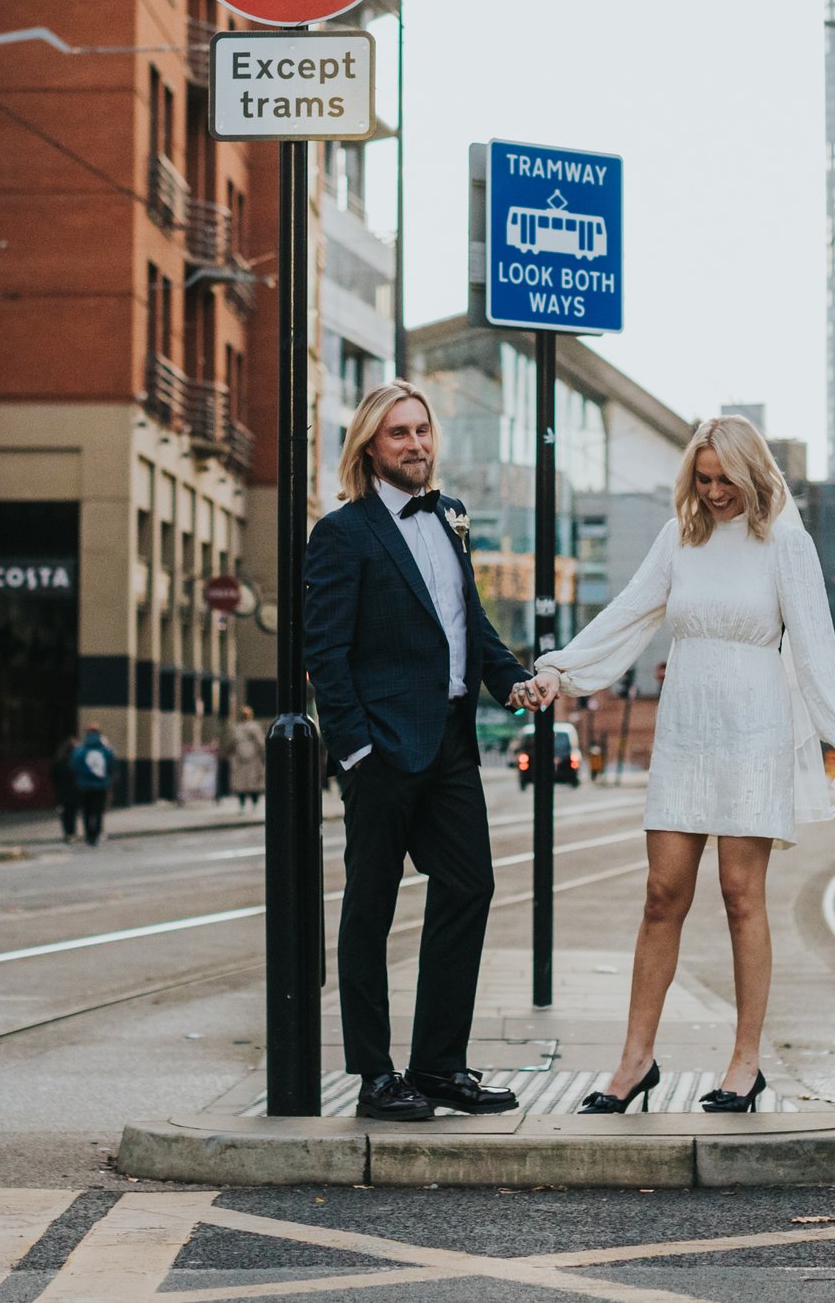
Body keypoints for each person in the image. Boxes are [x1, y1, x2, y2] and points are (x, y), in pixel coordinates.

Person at [513, 415, 835, 1116]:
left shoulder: (785, 543)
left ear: (753, 474)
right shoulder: (681, 535)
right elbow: (628, 612)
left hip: (753, 729)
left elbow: (813, 644)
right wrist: (562, 670)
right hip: (686, 727)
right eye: (704, 478)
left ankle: (746, 1064)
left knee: (742, 895)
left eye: (726, 480)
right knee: (662, 893)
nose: (714, 492)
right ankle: (635, 1061)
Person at [305, 380, 534, 1123]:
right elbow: (326, 655)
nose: (415, 444)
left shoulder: (451, 519)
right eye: (399, 432)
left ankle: (438, 1066)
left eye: (422, 430)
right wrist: (355, 752)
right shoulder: (343, 532)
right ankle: (375, 1074)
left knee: (469, 888)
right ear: (370, 445)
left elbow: (470, 626)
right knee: (369, 911)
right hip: (382, 753)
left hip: (451, 747)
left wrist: (516, 682)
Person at [68, 726, 115, 845]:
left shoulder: (80, 750)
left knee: (86, 811)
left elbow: (74, 765)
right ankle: (97, 833)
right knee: (98, 811)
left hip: (84, 786)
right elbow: (111, 765)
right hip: (101, 785)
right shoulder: (106, 750)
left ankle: (89, 835)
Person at [226, 706, 267, 810]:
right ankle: (249, 803)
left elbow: (233, 743)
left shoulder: (240, 728)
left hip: (247, 758)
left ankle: (246, 804)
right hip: (248, 758)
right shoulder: (250, 727)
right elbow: (260, 743)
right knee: (250, 783)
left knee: (246, 783)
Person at [52, 735, 83, 841]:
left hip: (63, 791)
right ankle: (72, 833)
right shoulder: (78, 761)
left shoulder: (59, 761)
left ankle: (68, 833)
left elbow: (54, 777)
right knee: (73, 813)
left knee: (66, 814)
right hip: (75, 790)